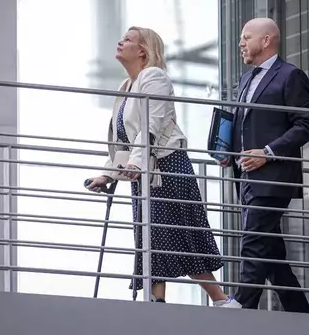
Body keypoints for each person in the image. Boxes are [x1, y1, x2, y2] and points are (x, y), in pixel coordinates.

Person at [85, 26, 231, 306]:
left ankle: (221, 299)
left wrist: (135, 165)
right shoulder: (126, 88)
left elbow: (150, 128)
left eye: (127, 39)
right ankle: (157, 302)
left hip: (167, 167)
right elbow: (121, 143)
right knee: (150, 238)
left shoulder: (154, 77)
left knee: (182, 233)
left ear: (142, 50)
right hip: (143, 172)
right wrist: (107, 174)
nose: (120, 41)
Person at [220, 18, 309, 313]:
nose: (240, 43)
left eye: (246, 37)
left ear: (266, 41)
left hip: (273, 175)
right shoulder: (246, 79)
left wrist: (268, 152)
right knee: (271, 253)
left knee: (254, 239)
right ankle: (301, 314)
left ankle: (242, 304)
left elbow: (306, 125)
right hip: (245, 175)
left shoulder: (290, 76)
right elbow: (242, 123)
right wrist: (227, 151)